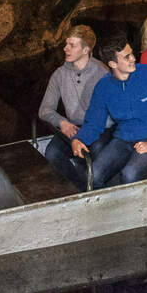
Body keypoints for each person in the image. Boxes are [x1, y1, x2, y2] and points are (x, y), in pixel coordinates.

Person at [74, 31, 147, 187]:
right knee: (94, 175)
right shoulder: (103, 87)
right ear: (112, 64)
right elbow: (93, 123)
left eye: (131, 54)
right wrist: (79, 139)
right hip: (123, 140)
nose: (133, 58)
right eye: (127, 57)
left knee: (129, 174)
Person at [37, 24, 107, 191]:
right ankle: (79, 188)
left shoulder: (102, 73)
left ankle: (99, 187)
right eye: (66, 44)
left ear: (85, 50)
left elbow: (109, 115)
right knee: (52, 153)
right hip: (73, 128)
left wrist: (83, 135)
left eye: (72, 45)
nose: (65, 48)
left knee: (95, 150)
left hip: (101, 128)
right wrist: (62, 123)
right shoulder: (59, 74)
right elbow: (45, 110)